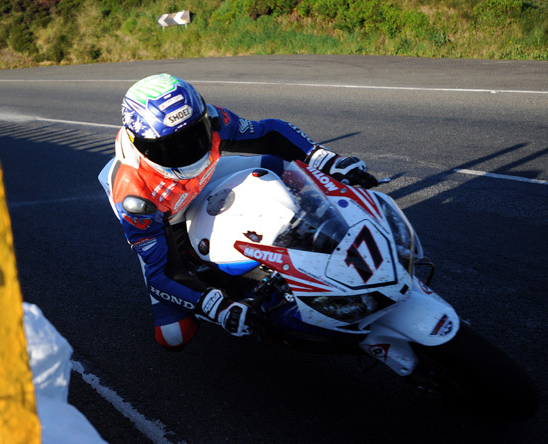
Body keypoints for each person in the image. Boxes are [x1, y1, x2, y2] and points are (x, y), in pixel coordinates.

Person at [98, 73, 378, 350]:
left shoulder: (213, 119)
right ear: (141, 145)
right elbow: (163, 276)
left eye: (195, 135)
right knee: (174, 335)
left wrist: (323, 158)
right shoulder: (135, 198)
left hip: (205, 177)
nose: (187, 151)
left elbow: (268, 133)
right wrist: (217, 306)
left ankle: (336, 230)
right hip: (166, 215)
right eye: (170, 148)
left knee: (277, 166)